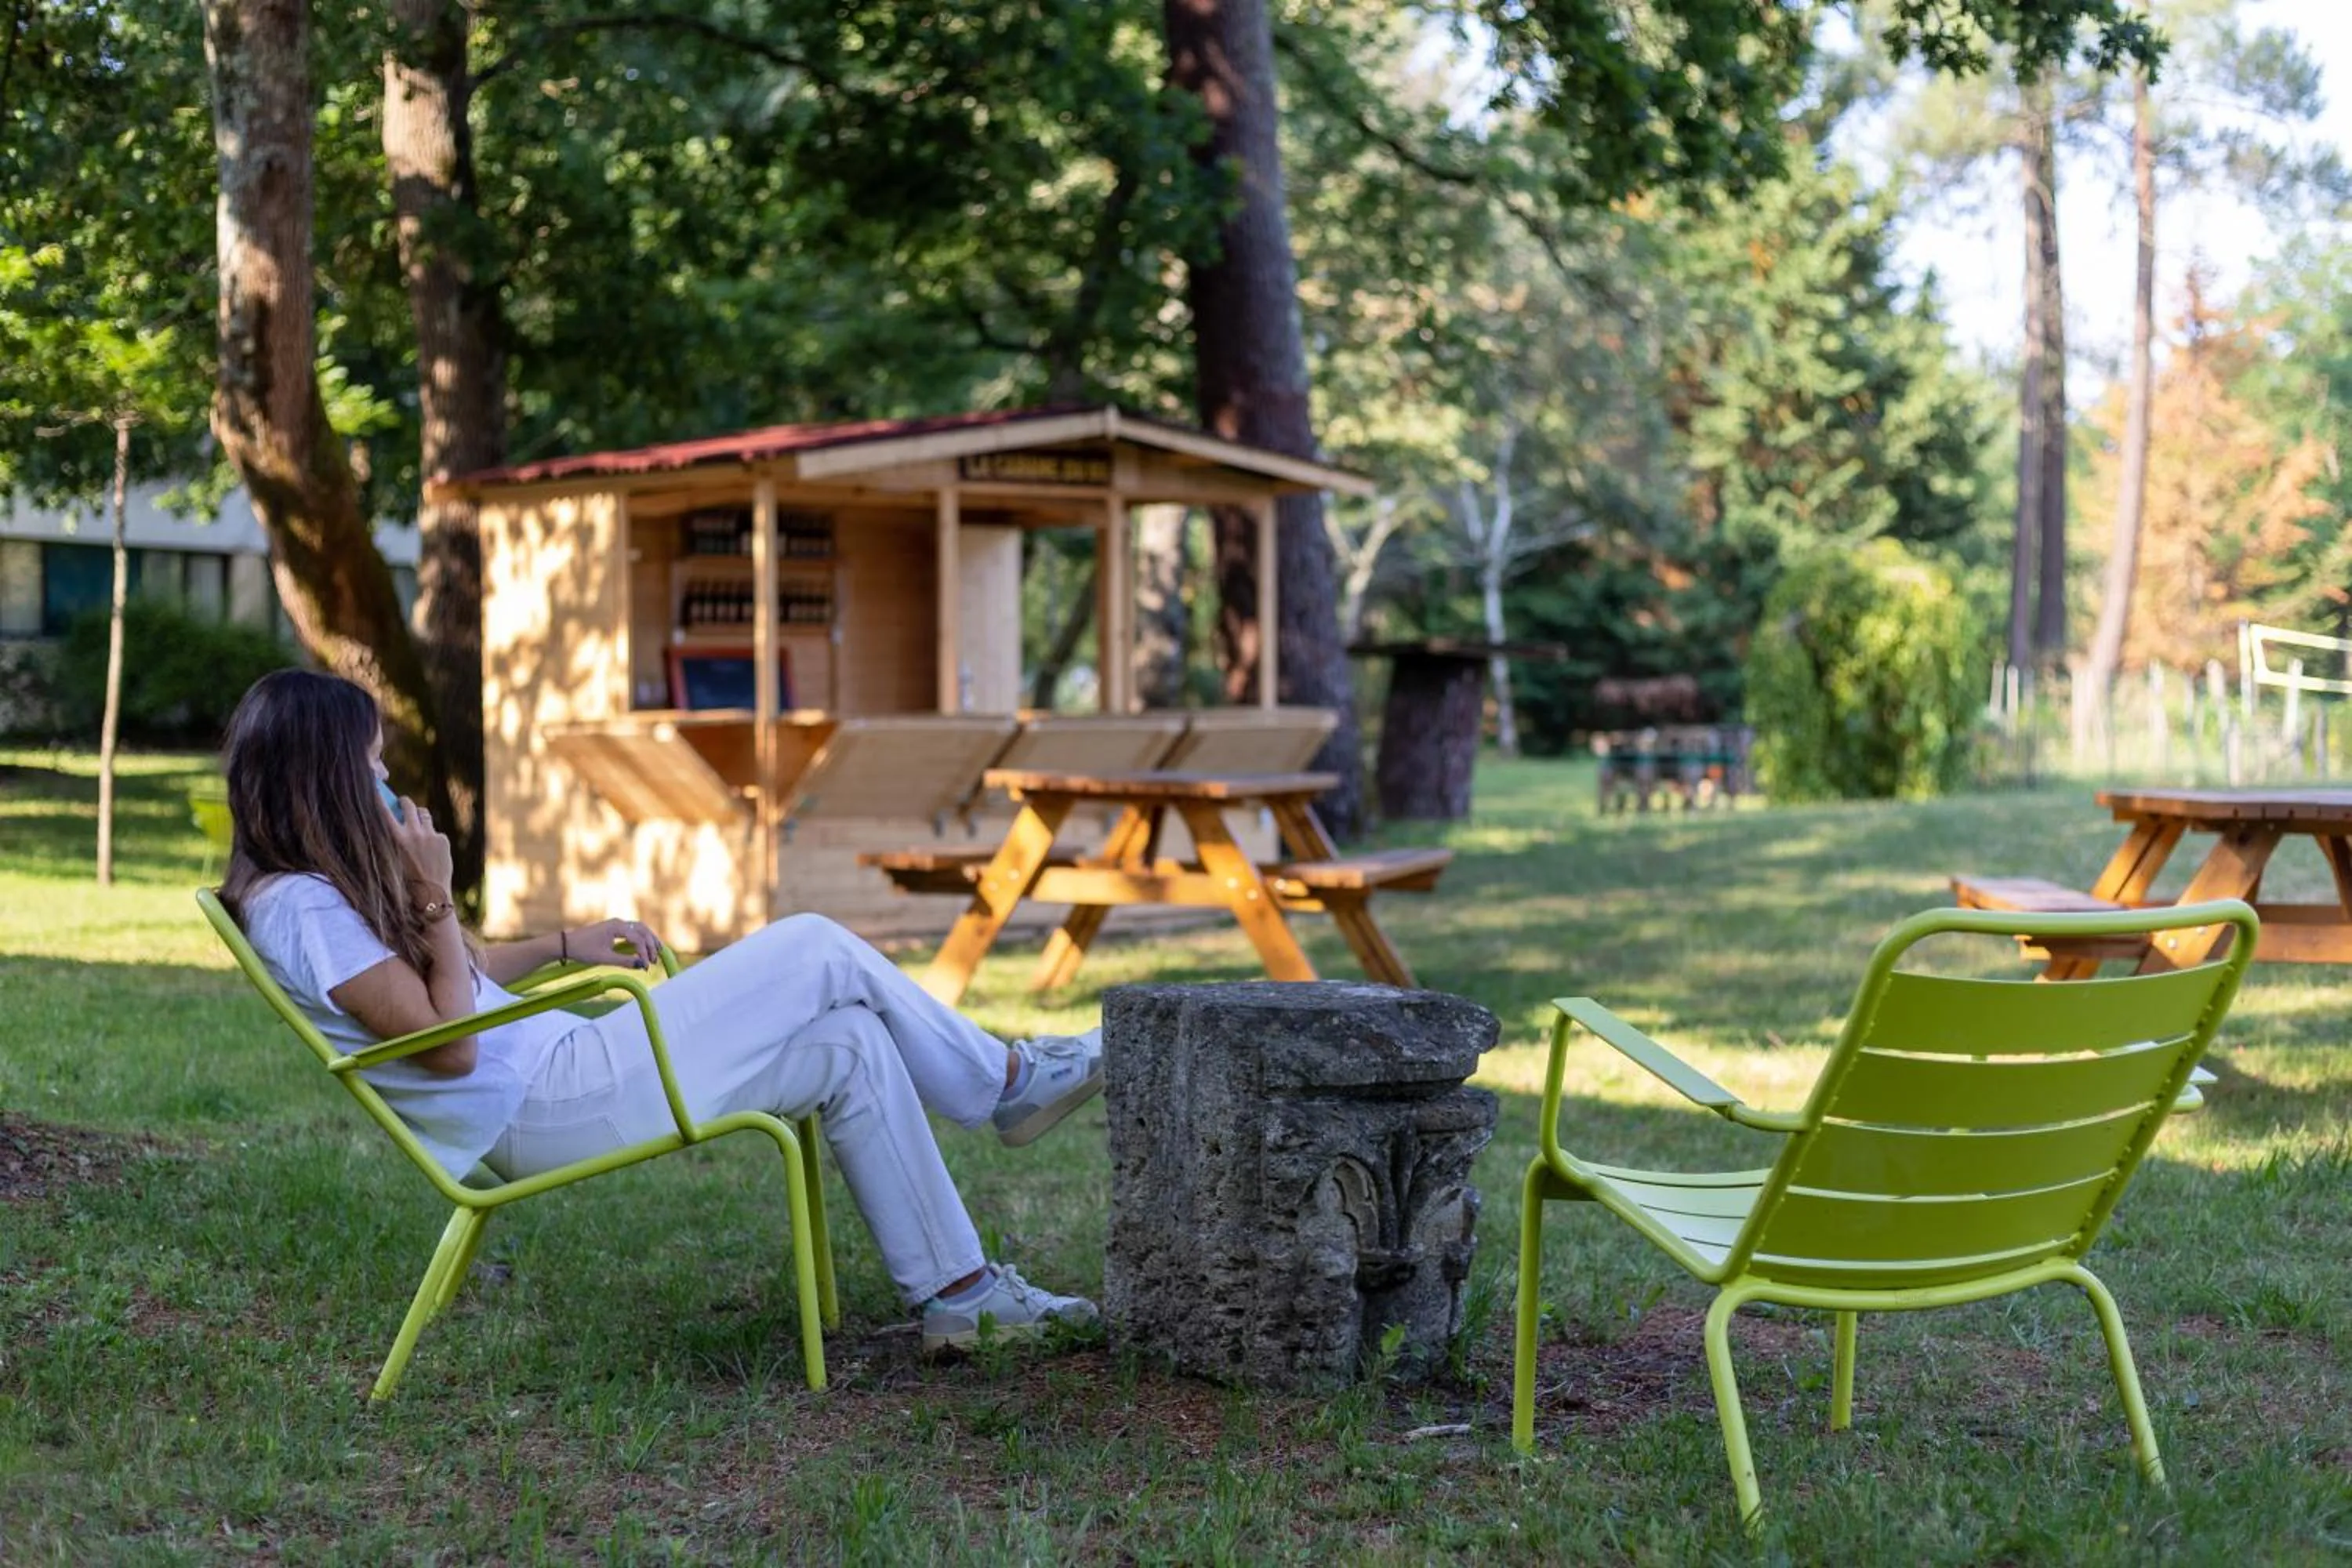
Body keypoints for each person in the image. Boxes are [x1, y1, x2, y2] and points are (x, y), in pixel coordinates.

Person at [216, 669, 1102, 1353]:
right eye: (372, 764)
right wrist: (435, 897)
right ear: (326, 777)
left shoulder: (314, 890)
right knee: (816, 945)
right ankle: (1009, 1081)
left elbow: (460, 985)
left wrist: (565, 943)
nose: (386, 780)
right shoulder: (302, 909)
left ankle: (962, 1296)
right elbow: (447, 1047)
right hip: (545, 1103)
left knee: (851, 1041)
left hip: (562, 1074)